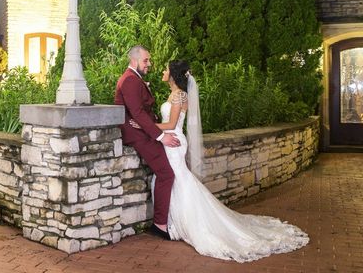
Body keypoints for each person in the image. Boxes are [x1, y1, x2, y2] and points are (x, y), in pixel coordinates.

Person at [132, 59, 309, 262]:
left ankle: (180, 224)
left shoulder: (179, 95)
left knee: (176, 179)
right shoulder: (175, 94)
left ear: (173, 74)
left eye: (166, 69)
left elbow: (171, 124)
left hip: (173, 141)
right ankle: (170, 223)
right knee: (176, 179)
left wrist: (143, 125)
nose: (162, 71)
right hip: (171, 140)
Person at [114, 45, 180, 240]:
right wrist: (161, 136)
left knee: (165, 172)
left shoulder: (133, 78)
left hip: (143, 131)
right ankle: (160, 225)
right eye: (146, 60)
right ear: (135, 60)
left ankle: (162, 221)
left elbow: (140, 112)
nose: (149, 64)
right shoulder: (130, 80)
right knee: (166, 173)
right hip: (138, 135)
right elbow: (137, 113)